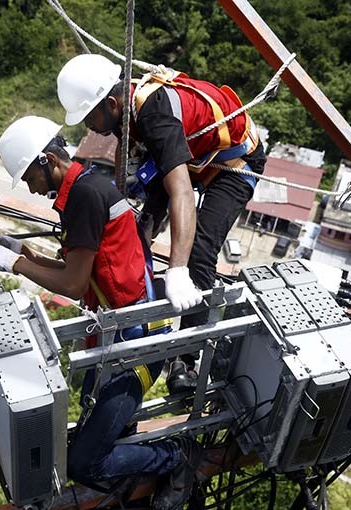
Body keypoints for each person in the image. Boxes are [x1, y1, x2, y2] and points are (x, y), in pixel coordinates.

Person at [0, 115, 202, 510]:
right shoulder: (83, 189)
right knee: (89, 430)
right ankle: (136, 470)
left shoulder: (83, 197)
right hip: (120, 334)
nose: (30, 187)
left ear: (48, 160)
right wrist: (23, 253)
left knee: (84, 462)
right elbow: (76, 270)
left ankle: (175, 457)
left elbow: (73, 286)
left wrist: (15, 267)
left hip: (139, 340)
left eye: (29, 176)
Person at [56, 54, 266, 394]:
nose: (87, 127)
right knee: (138, 234)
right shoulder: (124, 118)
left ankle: (185, 361)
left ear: (110, 103)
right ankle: (141, 310)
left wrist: (178, 268)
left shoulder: (153, 114)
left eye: (88, 117)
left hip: (235, 161)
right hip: (195, 154)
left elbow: (181, 191)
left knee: (199, 251)